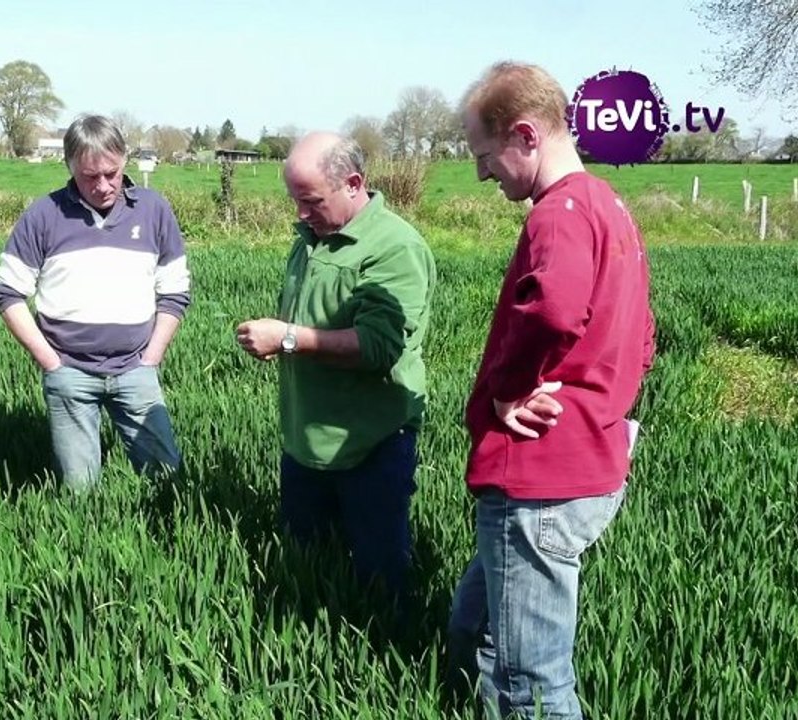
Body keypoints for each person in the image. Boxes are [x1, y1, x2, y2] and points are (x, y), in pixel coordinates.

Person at [445, 61, 656, 719]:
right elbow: (641, 338)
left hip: (539, 479)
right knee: (471, 626)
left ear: (525, 136)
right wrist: (604, 398)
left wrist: (509, 389)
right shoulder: (606, 206)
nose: (481, 174)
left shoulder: (557, 214)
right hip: (587, 460)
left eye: (485, 155)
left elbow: (555, 311)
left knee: (530, 683)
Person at [235, 132, 436, 597]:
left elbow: (377, 347)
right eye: (295, 201)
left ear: (353, 183)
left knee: (378, 574)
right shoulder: (310, 237)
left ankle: (387, 656)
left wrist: (286, 338)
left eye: (311, 201)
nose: (301, 214)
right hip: (305, 438)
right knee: (308, 568)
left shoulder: (394, 248)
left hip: (371, 441)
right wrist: (283, 339)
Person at [0, 115, 190, 491]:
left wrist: (152, 358)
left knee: (168, 482)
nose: (102, 186)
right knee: (80, 490)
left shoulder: (153, 210)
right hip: (69, 373)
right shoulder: (43, 215)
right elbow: (8, 292)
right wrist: (50, 362)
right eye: (89, 176)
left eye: (111, 174)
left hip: (136, 371)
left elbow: (175, 291)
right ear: (69, 166)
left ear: (124, 161)